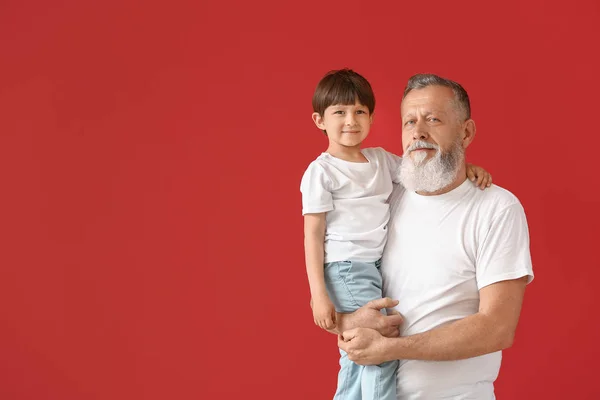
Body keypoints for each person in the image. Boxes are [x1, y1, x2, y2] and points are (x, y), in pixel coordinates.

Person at [336, 73, 535, 400]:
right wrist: (347, 320)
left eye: (433, 119)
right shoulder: (382, 197)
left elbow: (497, 327)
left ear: (466, 132)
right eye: (409, 121)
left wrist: (390, 349)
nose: (418, 132)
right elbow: (338, 275)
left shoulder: (496, 208)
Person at [300, 69, 492, 400]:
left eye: (360, 111)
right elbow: (313, 235)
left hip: (370, 267)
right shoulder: (321, 171)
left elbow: (421, 166)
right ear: (319, 120)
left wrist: (468, 169)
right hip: (347, 267)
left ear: (372, 117)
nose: (351, 120)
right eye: (340, 112)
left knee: (358, 350)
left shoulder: (378, 161)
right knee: (381, 344)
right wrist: (319, 295)